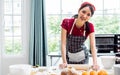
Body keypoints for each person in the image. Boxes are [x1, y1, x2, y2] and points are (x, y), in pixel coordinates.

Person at [59, 2, 99, 70]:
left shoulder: (90, 26)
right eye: (83, 12)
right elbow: (63, 44)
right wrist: (64, 62)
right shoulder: (67, 22)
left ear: (90, 17)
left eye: (88, 15)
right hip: (69, 56)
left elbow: (92, 46)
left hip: (83, 57)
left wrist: (95, 63)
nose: (85, 16)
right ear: (79, 10)